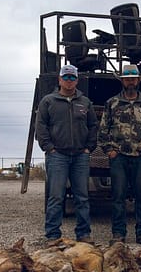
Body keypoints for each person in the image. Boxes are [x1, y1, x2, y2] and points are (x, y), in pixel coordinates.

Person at [35, 64, 97, 243]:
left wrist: (88, 148)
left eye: (72, 78)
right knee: (56, 197)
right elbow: (41, 127)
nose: (69, 81)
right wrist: (49, 148)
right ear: (59, 79)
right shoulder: (48, 101)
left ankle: (84, 234)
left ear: (76, 80)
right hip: (57, 156)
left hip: (80, 156)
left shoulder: (85, 102)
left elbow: (93, 126)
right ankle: (53, 235)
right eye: (66, 77)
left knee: (82, 197)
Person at [98, 64, 141, 245]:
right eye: (127, 79)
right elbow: (103, 130)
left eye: (133, 78)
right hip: (119, 158)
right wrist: (110, 150)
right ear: (122, 81)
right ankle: (118, 234)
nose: (130, 82)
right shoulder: (112, 103)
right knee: (118, 197)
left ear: (138, 80)